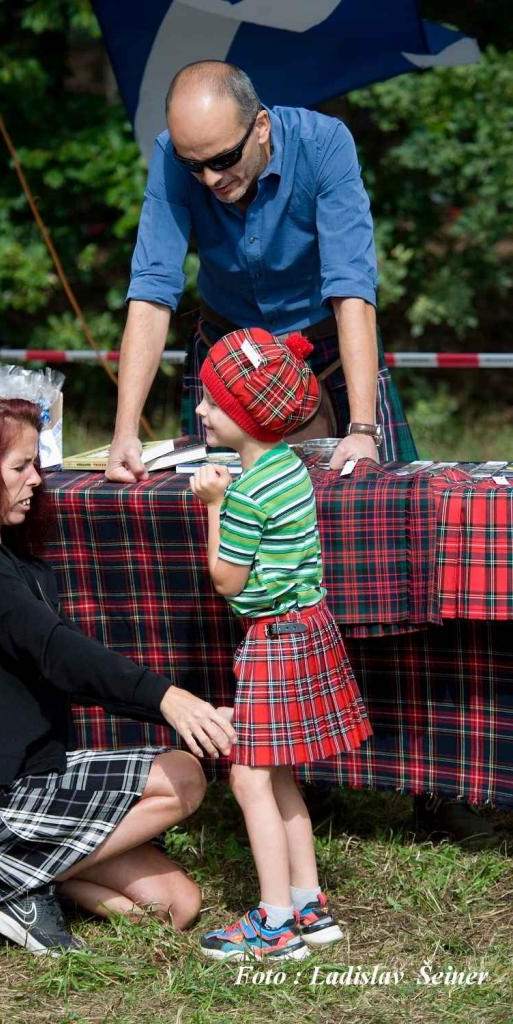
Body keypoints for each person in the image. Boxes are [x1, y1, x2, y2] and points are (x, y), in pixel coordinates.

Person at [0, 395, 236, 955]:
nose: (37, 479)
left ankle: (10, 883)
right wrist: (167, 698)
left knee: (176, 905)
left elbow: (58, 665)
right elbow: (57, 653)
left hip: (37, 775)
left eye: (35, 464)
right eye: (20, 466)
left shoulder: (10, 561)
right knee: (182, 775)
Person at [106, 59, 418, 484]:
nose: (210, 179)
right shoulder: (170, 156)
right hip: (226, 355)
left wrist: (363, 429)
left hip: (327, 351)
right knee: (221, 510)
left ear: (261, 127)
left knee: (372, 506)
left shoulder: (324, 144)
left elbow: (352, 289)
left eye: (224, 159)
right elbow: (151, 291)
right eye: (193, 165)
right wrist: (125, 432)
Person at [190, 327, 372, 961]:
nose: (201, 410)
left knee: (248, 777)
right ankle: (308, 902)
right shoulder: (290, 467)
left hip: (274, 641)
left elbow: (226, 581)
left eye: (213, 402)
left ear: (245, 417)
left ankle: (274, 923)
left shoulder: (245, 493)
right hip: (309, 629)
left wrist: (214, 504)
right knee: (279, 770)